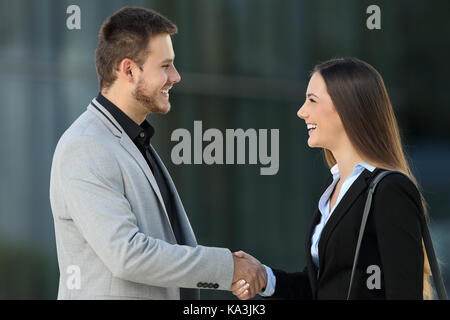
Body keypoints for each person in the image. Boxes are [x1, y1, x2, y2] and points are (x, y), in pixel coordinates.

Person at [49, 6, 266, 300]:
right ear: (128, 70)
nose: (175, 76)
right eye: (165, 66)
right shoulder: (86, 146)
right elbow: (127, 253)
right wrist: (227, 268)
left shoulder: (133, 139)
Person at [231, 57, 432, 300]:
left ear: (348, 107)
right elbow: (318, 289)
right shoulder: (335, 186)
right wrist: (264, 277)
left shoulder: (390, 190)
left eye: (312, 100)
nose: (301, 111)